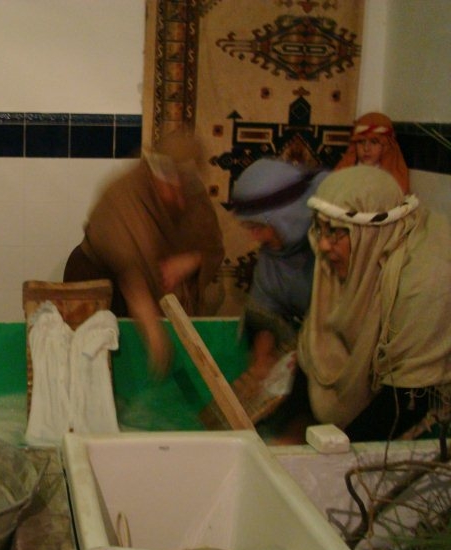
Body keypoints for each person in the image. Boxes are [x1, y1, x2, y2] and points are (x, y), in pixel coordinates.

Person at [298, 165, 451, 441]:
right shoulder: (352, 258)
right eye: (320, 228)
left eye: (336, 231)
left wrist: (332, 454)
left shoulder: (423, 282)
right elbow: (315, 343)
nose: (323, 245)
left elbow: (410, 400)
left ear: (370, 234)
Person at [63, 130, 225, 378]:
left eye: (184, 189)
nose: (179, 200)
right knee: (95, 361)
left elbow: (211, 248)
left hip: (158, 280)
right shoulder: (123, 196)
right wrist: (154, 333)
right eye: (170, 188)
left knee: (215, 292)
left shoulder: (193, 194)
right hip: (102, 277)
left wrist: (191, 261)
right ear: (154, 175)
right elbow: (132, 278)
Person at [206, 157, 328, 434]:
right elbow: (265, 310)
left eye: (259, 227)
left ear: (286, 216)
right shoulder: (275, 257)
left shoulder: (330, 245)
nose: (256, 238)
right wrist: (262, 363)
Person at [334, 111, 410, 194]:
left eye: (374, 142)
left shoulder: (395, 179)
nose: (366, 148)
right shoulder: (344, 174)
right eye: (361, 142)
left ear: (386, 146)